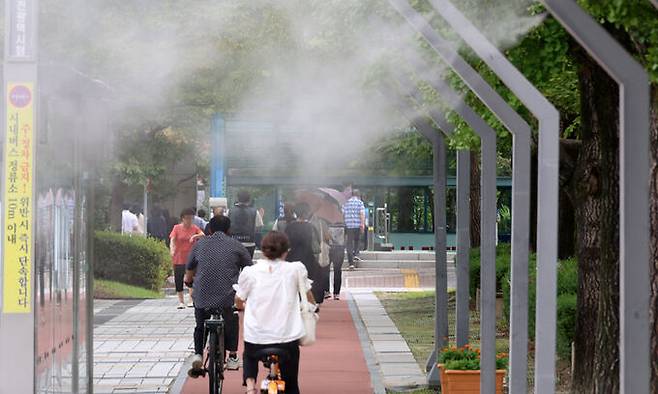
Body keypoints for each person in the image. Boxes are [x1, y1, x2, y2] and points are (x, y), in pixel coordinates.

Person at [235, 231, 317, 394]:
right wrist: (313, 307)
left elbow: (239, 299)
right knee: (291, 384)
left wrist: (240, 307)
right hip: (287, 338)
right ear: (286, 251)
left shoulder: (250, 272)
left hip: (257, 338)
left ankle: (251, 387)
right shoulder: (296, 269)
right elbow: (309, 296)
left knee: (249, 354)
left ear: (263, 250)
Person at [185, 215, 252, 372]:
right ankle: (233, 356)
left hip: (202, 294)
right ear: (229, 230)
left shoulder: (199, 245)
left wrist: (189, 282)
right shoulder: (236, 245)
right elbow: (249, 269)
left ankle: (198, 355)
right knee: (231, 319)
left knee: (200, 324)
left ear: (209, 229)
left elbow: (189, 270)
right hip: (227, 296)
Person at [285, 203, 323, 303]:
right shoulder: (311, 227)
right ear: (306, 213)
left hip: (291, 258)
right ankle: (308, 302)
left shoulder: (289, 227)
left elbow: (285, 244)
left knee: (292, 283)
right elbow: (316, 247)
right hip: (308, 258)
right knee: (307, 283)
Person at [169, 208, 205, 309]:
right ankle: (181, 301)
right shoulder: (176, 228)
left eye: (191, 218)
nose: (189, 220)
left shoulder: (194, 228)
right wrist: (172, 249)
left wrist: (195, 236)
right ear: (182, 219)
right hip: (179, 257)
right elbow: (172, 239)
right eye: (187, 218)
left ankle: (190, 299)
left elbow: (203, 235)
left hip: (191, 257)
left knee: (191, 278)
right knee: (179, 278)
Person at [229, 190, 258, 258]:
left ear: (238, 198)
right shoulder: (255, 212)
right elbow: (258, 227)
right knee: (247, 267)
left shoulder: (230, 211)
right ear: (249, 199)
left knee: (234, 266)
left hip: (234, 243)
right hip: (249, 243)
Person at [342, 189, 365, 270]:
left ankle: (351, 263)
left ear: (351, 195)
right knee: (357, 241)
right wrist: (362, 224)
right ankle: (356, 255)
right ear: (358, 195)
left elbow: (343, 214)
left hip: (348, 226)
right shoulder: (360, 203)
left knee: (349, 244)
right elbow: (362, 214)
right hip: (357, 225)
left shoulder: (346, 203)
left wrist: (344, 223)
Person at [326, 223, 346, 300]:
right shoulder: (343, 223)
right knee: (337, 270)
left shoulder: (325, 221)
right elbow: (346, 236)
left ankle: (326, 291)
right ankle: (336, 293)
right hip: (339, 248)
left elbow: (325, 235)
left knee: (326, 269)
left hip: (329, 247)